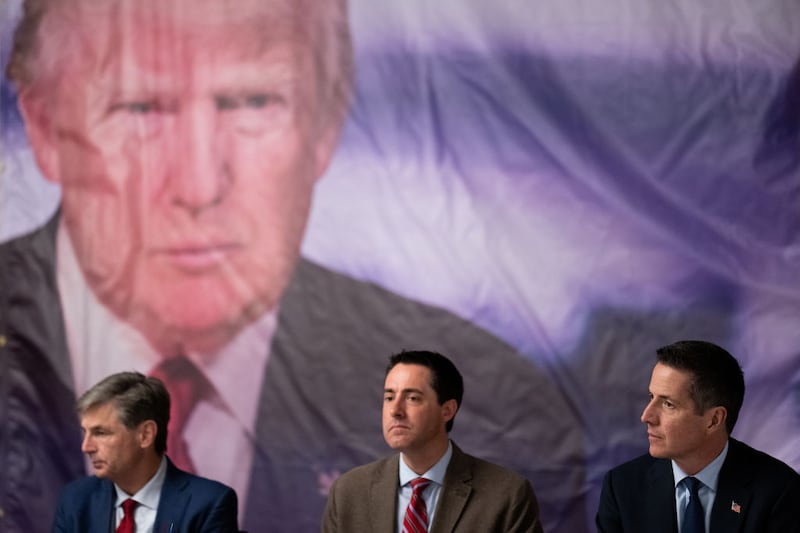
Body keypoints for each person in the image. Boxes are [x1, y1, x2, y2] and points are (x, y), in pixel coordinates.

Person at [0, 0, 586, 531]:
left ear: (327, 121)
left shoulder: (512, 415)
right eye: (140, 107)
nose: (200, 185)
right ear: (45, 126)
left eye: (253, 101)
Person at [322, 350, 544, 533]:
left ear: (447, 410)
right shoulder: (348, 492)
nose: (395, 410)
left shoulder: (507, 494)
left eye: (412, 398)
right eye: (389, 397)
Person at [596, 340, 800, 533]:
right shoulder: (622, 487)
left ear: (713, 420)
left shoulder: (778, 492)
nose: (646, 416)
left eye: (668, 404)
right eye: (652, 397)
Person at [52, 371, 239, 532]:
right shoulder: (75, 500)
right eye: (85, 433)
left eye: (100, 433)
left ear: (145, 435)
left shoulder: (208, 504)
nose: (86, 447)